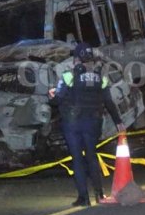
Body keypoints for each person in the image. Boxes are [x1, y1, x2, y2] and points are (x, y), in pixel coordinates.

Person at [49, 43, 124, 206]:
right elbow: (108, 101)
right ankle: (99, 194)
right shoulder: (100, 77)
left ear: (76, 59)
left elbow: (57, 100)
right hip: (93, 122)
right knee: (92, 156)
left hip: (73, 124)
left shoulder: (68, 76)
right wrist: (118, 121)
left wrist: (51, 95)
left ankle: (84, 198)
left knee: (77, 159)